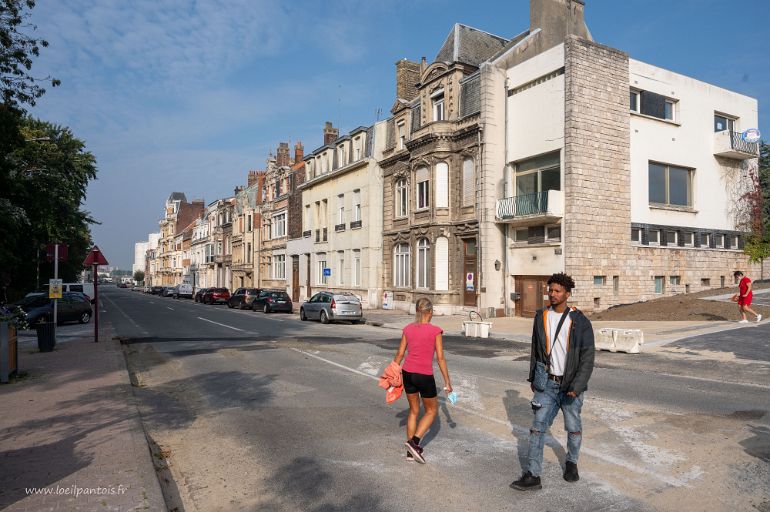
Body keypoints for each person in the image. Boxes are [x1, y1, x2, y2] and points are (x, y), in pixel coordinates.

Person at [511, 273, 595, 491]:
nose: (553, 294)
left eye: (558, 291)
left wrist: (577, 387)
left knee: (573, 428)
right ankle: (533, 475)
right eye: (551, 290)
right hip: (547, 384)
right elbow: (535, 350)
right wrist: (533, 377)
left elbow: (587, 358)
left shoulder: (579, 321)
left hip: (570, 386)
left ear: (567, 294)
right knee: (537, 428)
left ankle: (571, 463)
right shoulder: (541, 317)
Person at [393, 298, 452, 464]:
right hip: (424, 375)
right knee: (431, 411)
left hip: (408, 373)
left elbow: (400, 353)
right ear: (430, 312)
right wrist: (447, 382)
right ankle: (415, 443)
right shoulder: (435, 331)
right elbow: (440, 358)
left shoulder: (408, 329)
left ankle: (410, 454)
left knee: (413, 411)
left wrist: (393, 372)